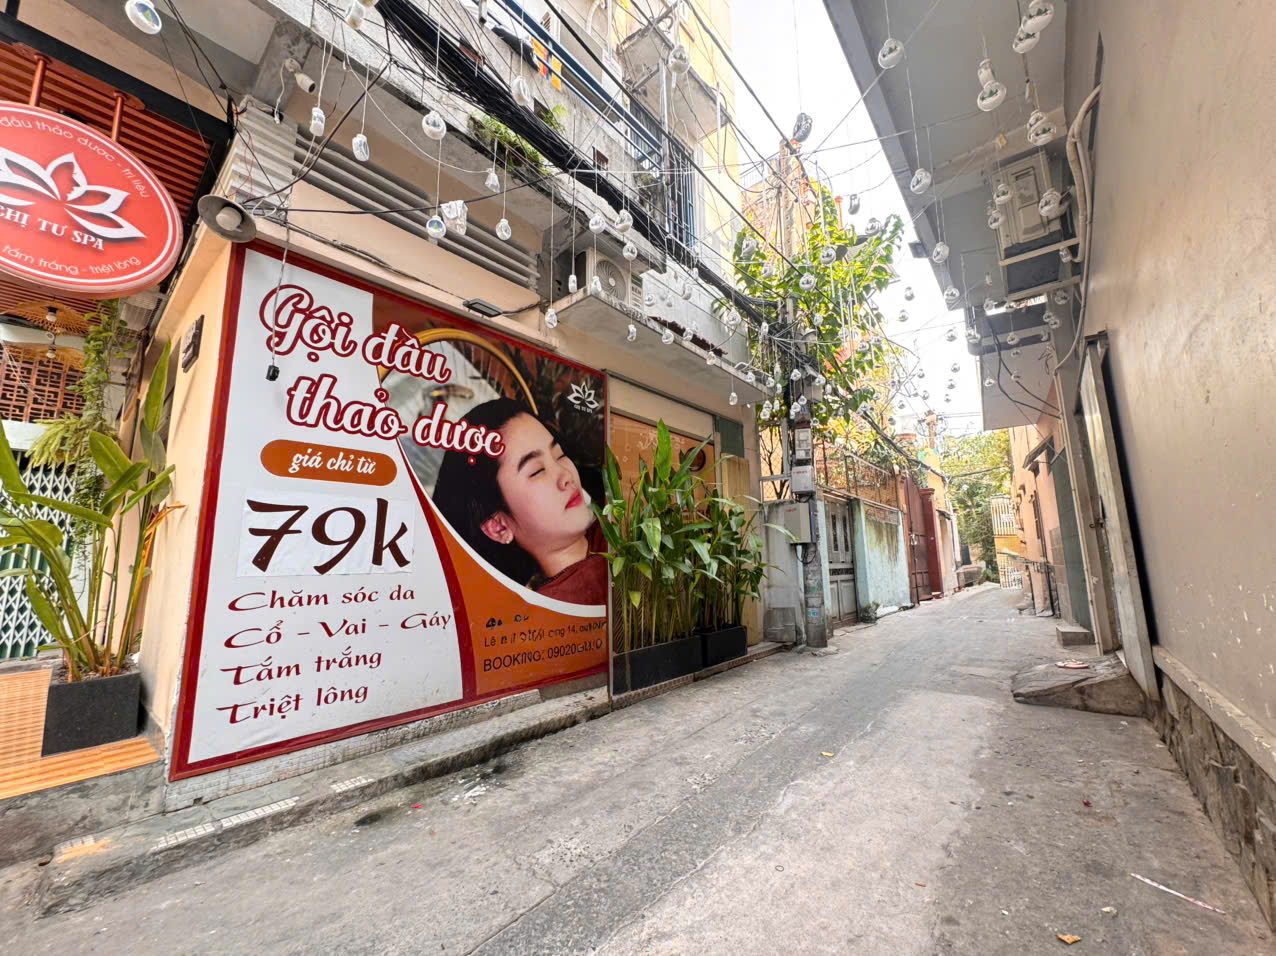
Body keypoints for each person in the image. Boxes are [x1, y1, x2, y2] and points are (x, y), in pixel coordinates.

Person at [432, 397, 607, 606]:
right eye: (537, 471)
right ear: (499, 527)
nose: (566, 476)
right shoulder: (554, 612)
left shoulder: (623, 530)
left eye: (559, 455)